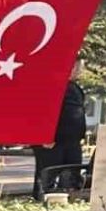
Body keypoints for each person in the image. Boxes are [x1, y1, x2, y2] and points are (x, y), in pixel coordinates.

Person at [34, 59, 87, 196]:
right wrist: (45, 135)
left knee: (71, 173)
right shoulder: (51, 85)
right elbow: (42, 111)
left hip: (72, 141)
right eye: (78, 67)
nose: (80, 71)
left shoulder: (74, 87)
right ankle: (42, 197)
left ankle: (67, 197)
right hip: (52, 140)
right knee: (48, 174)